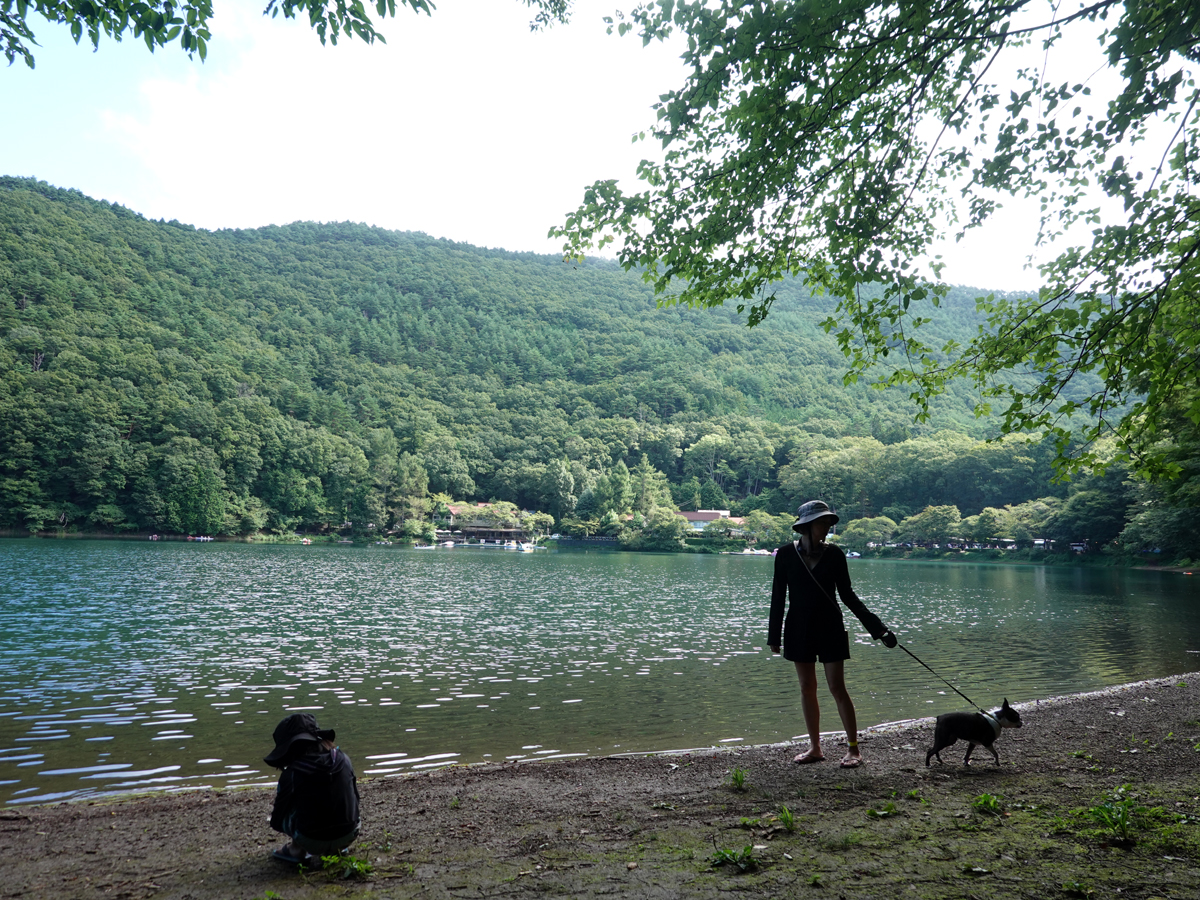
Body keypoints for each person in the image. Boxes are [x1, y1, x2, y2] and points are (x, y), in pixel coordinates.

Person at [768, 500, 897, 768]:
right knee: (807, 688)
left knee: (837, 687)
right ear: (806, 526)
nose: (827, 527)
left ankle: (853, 749)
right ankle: (815, 748)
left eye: (828, 523)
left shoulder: (836, 555)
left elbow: (848, 595)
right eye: (822, 523)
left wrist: (878, 629)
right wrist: (774, 637)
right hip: (798, 628)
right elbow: (778, 597)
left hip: (830, 627)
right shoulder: (784, 555)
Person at [265, 713, 361, 866]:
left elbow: (277, 821)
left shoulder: (291, 773)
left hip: (310, 840)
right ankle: (337, 848)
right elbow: (356, 798)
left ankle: (297, 849)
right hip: (349, 833)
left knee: (289, 809)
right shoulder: (344, 759)